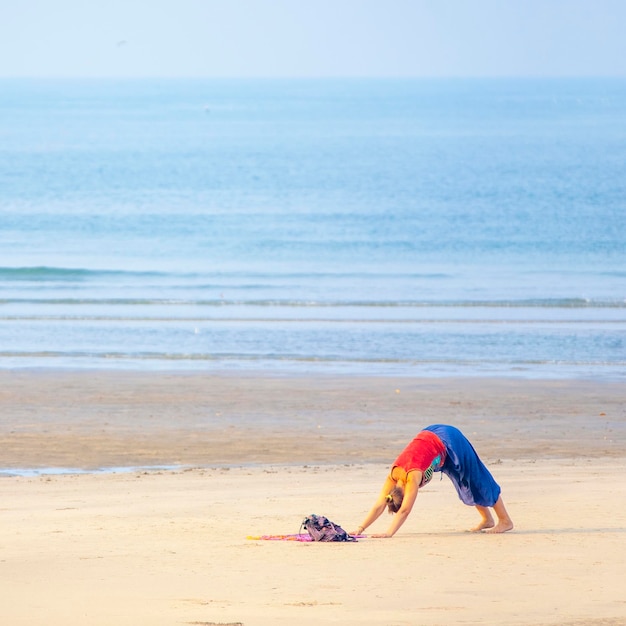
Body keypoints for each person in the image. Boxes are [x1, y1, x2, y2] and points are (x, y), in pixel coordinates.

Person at [353, 424, 514, 538]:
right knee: (463, 482)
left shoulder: (412, 477)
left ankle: (505, 520)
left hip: (448, 439)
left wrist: (389, 533)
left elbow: (405, 511)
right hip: (432, 440)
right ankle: (487, 519)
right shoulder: (393, 475)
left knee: (477, 476)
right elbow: (379, 505)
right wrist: (360, 528)